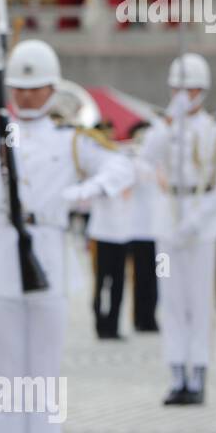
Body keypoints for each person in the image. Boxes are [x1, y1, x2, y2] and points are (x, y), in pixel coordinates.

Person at [0, 40, 132, 433]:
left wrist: (83, 192)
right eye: (20, 87)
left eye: (37, 88)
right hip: (1, 259)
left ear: (54, 89)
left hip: (48, 257)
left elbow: (122, 165)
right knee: (6, 374)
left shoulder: (71, 139)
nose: (28, 96)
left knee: (43, 372)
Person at [140, 52, 216, 405]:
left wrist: (197, 220)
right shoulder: (163, 127)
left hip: (202, 224)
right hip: (167, 222)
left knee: (198, 302)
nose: (183, 94)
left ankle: (198, 372)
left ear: (202, 91)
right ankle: (175, 373)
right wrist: (169, 123)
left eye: (190, 89)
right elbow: (146, 160)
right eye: (178, 88)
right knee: (171, 301)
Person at [84, 120, 133, 340]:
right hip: (100, 232)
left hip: (121, 232)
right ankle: (99, 324)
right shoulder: (94, 164)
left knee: (118, 284)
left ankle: (113, 325)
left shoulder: (120, 160)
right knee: (100, 282)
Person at [124, 120, 161, 333]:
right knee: (141, 277)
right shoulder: (133, 162)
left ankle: (155, 315)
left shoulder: (161, 163)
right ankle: (141, 318)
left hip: (161, 232)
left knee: (162, 276)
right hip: (139, 231)